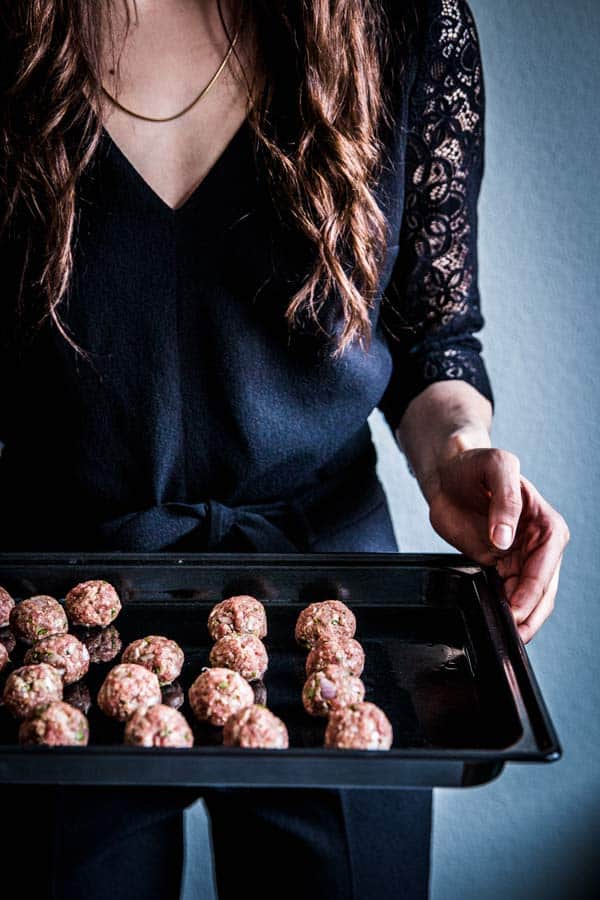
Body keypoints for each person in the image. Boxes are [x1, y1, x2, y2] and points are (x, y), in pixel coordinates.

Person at [0, 0, 569, 898]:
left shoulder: (410, 23)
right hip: (50, 595)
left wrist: (457, 452)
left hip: (334, 578)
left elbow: (431, 335)